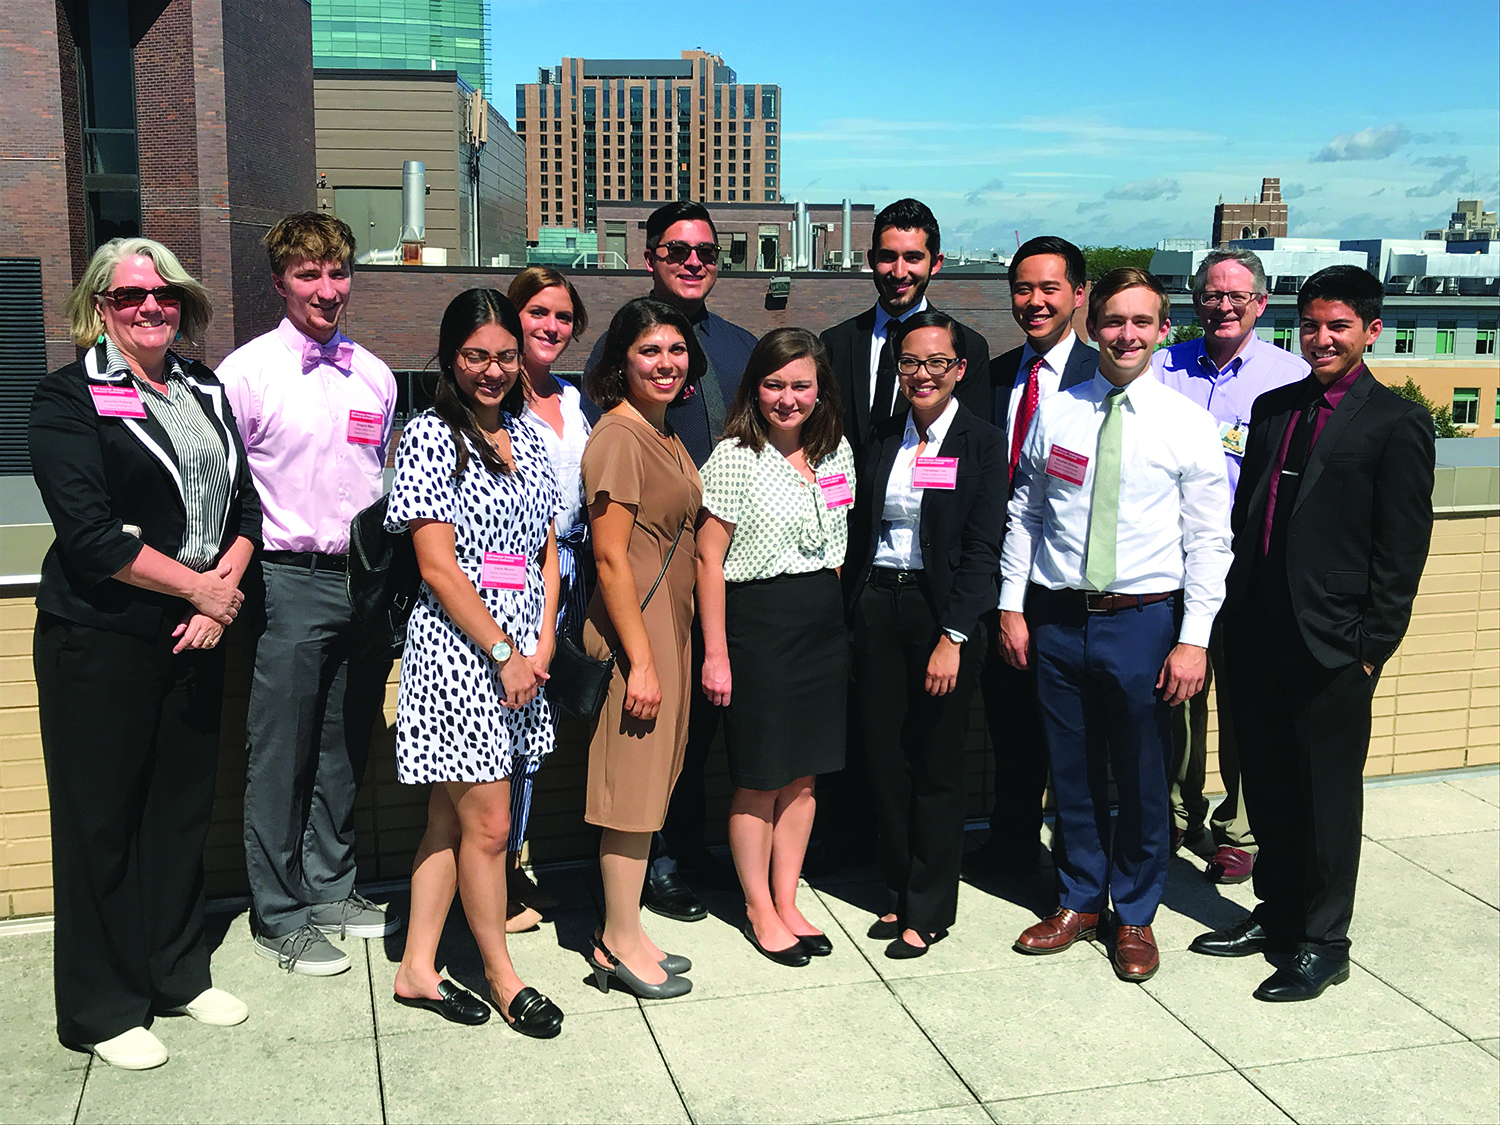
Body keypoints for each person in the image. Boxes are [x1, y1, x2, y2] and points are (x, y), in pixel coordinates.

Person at [29, 237, 260, 1069]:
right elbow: (90, 536)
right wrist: (196, 590)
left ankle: (176, 973)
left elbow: (245, 504)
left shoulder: (203, 387)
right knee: (102, 824)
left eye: (163, 293)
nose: (149, 306)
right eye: (130, 296)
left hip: (198, 636)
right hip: (103, 640)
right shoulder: (67, 399)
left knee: (178, 814)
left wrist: (220, 596)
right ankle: (102, 1006)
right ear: (100, 306)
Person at [1191, 266, 1434, 1002]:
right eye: (1312, 325)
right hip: (1256, 631)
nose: (1322, 338)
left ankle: (1324, 941)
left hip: (1334, 646)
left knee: (1325, 799)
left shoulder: (1395, 422)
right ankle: (1279, 915)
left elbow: (1402, 551)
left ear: (1370, 332)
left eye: (1338, 326)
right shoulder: (1273, 408)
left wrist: (1369, 650)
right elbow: (1248, 520)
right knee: (1266, 789)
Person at [1000, 268, 1232, 983]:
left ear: (1164, 329)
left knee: (1140, 773)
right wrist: (1011, 603)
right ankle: (1079, 899)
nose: (1126, 334)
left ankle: (1133, 910)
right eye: (1113, 320)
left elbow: (1208, 539)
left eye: (1142, 322)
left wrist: (1194, 637)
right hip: (1060, 616)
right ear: (1092, 324)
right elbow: (1026, 515)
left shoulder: (1187, 422)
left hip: (1144, 621)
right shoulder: (1059, 411)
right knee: (1068, 771)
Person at [218, 212, 401, 975]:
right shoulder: (246, 373)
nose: (327, 290)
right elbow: (227, 493)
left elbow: (382, 480)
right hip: (284, 580)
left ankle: (332, 886)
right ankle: (279, 911)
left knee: (340, 745)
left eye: (338, 273)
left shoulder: (375, 374)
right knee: (281, 752)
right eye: (308, 275)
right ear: (279, 282)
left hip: (360, 584)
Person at [386, 289, 565, 1037]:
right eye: (475, 356)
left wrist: (544, 640)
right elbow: (437, 565)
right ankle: (499, 972)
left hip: (524, 652)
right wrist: (503, 652)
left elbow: (547, 549)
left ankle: (417, 969)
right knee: (490, 829)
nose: (492, 370)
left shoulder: (526, 432)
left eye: (503, 355)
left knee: (446, 821)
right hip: (464, 657)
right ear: (450, 358)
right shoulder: (430, 434)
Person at [586, 200, 757, 923]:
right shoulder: (622, 346)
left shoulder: (745, 345)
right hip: (652, 574)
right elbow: (612, 531)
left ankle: (685, 845)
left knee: (698, 722)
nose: (694, 261)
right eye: (678, 250)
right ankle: (652, 863)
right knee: (646, 728)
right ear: (649, 257)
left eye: (706, 251)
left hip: (723, 570)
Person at [843, 311, 1007, 959]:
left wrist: (955, 634)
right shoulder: (882, 437)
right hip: (879, 606)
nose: (923, 373)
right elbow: (858, 530)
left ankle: (931, 906)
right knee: (884, 759)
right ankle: (899, 885)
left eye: (938, 361)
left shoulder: (983, 441)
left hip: (942, 618)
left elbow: (982, 548)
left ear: (960, 369)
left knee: (938, 761)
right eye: (910, 361)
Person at [696, 328, 856, 966]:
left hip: (819, 621)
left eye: (800, 385)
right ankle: (759, 907)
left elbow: (838, 543)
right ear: (753, 388)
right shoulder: (735, 456)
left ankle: (788, 898)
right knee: (760, 778)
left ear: (820, 390)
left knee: (804, 777)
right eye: (774, 385)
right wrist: (716, 653)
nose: (787, 399)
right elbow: (709, 562)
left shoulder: (835, 451)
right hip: (756, 625)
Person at [1152, 249, 1308, 883]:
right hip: (1172, 555)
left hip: (1249, 561)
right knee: (1177, 692)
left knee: (1246, 697)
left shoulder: (1289, 374)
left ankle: (1238, 827)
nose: (1223, 306)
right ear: (1195, 301)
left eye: (1237, 297)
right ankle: (1174, 814)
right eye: (1211, 295)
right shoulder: (1164, 368)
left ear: (1260, 304)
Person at [579, 297, 706, 998]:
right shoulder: (620, 437)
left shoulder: (665, 432)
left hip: (667, 626)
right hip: (639, 632)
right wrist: (644, 660)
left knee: (651, 781)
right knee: (629, 790)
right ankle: (615, 939)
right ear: (620, 360)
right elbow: (608, 558)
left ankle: (627, 925)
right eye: (649, 351)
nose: (665, 363)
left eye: (676, 350)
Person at [971, 236, 1099, 877]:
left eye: (1050, 288)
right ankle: (1011, 841)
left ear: (1078, 294)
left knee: (1073, 739)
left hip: (1073, 587)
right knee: (1012, 727)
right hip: (1003, 581)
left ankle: (1079, 869)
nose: (1035, 301)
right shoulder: (994, 377)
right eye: (1023, 289)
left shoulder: (1105, 377)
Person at [504, 266, 595, 928]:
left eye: (563, 317)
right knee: (504, 739)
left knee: (537, 740)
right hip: (516, 582)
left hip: (574, 576)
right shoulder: (494, 398)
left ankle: (510, 873)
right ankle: (495, 880)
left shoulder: (573, 397)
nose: (551, 327)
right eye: (538, 312)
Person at [821, 198, 992, 462]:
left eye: (912, 258)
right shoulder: (836, 343)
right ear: (871, 259)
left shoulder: (968, 346)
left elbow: (970, 446)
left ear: (935, 263)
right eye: (888, 257)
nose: (899, 272)